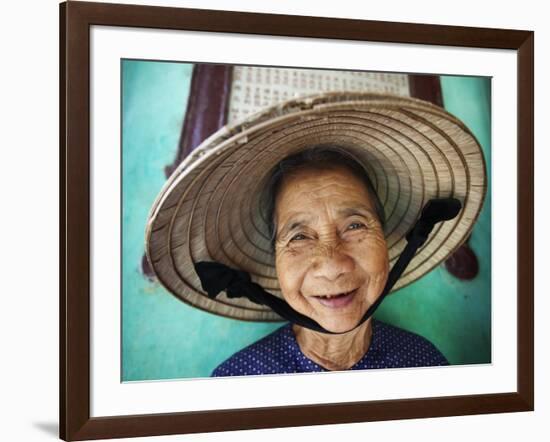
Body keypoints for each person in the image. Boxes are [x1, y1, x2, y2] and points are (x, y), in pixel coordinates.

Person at [145, 92, 487, 376]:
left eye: (355, 226)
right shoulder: (237, 382)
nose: (332, 264)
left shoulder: (426, 364)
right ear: (275, 262)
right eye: (299, 237)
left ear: (386, 241)